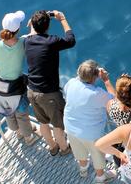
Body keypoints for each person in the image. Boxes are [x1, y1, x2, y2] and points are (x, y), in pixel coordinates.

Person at [25, 10, 75, 156]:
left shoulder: (27, 41)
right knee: (58, 125)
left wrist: (37, 19)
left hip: (32, 91)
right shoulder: (51, 41)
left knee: (43, 123)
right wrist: (62, 19)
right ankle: (64, 149)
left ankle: (53, 147)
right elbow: (71, 40)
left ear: (32, 25)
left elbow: (32, 30)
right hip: (49, 95)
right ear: (47, 27)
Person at [0, 11, 38, 145]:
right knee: (21, 113)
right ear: (18, 29)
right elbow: (34, 35)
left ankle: (18, 132)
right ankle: (28, 138)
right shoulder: (23, 41)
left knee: (8, 111)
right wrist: (32, 24)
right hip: (16, 87)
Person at [63, 60, 117, 183]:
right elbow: (114, 103)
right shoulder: (96, 93)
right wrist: (106, 80)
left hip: (70, 127)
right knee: (97, 153)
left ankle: (83, 169)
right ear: (95, 77)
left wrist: (90, 73)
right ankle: (100, 177)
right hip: (90, 133)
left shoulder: (71, 83)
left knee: (78, 149)